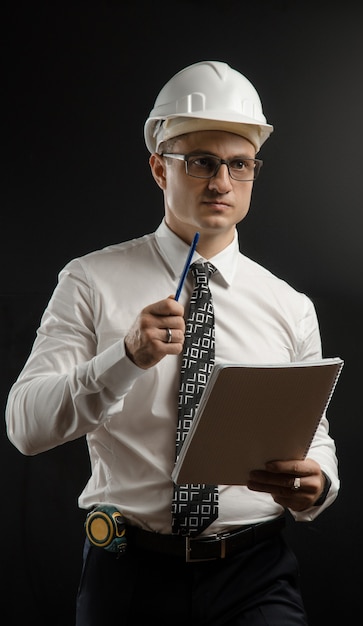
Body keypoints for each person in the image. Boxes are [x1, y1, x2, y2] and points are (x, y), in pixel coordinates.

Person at [6, 60, 339, 625]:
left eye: (240, 164)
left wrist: (319, 483)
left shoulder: (289, 306)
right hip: (128, 573)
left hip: (254, 575)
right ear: (160, 169)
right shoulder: (89, 281)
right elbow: (25, 428)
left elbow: (314, 433)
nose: (222, 183)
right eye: (202, 162)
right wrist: (125, 358)